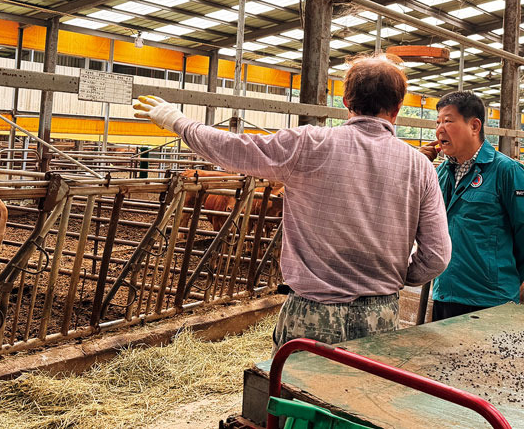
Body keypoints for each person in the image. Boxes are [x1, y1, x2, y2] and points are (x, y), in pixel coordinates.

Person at [134, 54, 451, 351]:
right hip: (381, 317)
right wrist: (393, 277)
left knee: (295, 406)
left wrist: (176, 121)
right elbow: (436, 257)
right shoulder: (420, 166)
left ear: (346, 102)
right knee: (362, 406)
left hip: (310, 317)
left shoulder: (309, 143)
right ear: (396, 109)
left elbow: (232, 148)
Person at [419, 91, 524, 321]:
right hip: (446, 296)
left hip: (492, 302)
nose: (439, 129)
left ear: (475, 126)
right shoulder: (440, 174)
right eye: (437, 122)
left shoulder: (506, 171)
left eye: (448, 121)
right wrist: (418, 169)